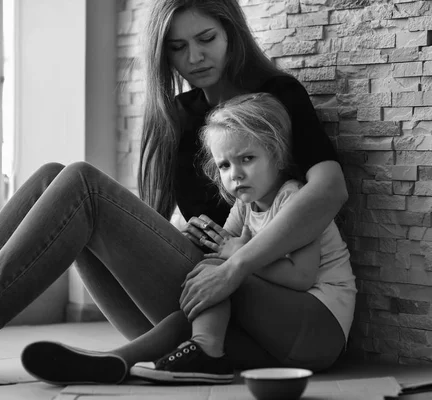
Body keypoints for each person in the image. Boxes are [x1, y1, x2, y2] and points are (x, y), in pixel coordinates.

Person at [0, 0, 353, 385]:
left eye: (206, 39)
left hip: (263, 309)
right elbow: (155, 231)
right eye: (177, 47)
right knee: (51, 178)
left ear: (232, 33)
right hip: (195, 308)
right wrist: (196, 243)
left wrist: (235, 262)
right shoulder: (180, 118)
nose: (194, 57)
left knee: (81, 183)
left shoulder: (275, 101)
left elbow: (330, 191)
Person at [127, 92, 354, 384]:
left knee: (214, 274)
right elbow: (222, 248)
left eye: (247, 159)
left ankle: (206, 354)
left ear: (277, 154)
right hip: (283, 340)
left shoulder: (293, 198)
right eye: (224, 166)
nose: (236, 174)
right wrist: (193, 239)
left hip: (319, 328)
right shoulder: (246, 205)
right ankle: (119, 361)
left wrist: (235, 254)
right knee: (192, 305)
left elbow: (301, 277)